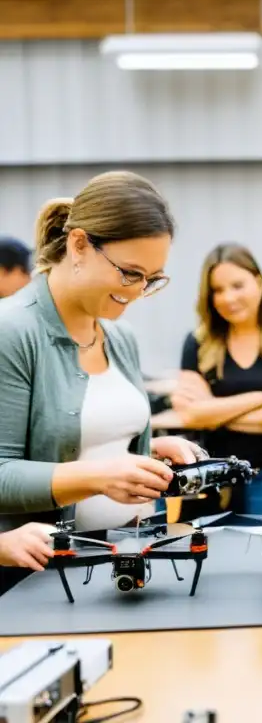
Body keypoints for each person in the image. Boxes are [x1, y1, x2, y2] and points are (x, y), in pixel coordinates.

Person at [0, 171, 200, 590]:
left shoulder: (118, 336)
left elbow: (86, 437)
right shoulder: (12, 332)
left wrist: (151, 451)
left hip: (128, 557)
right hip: (44, 579)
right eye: (130, 272)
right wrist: (101, 475)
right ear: (78, 245)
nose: (138, 290)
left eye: (152, 278)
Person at [171, 244, 262, 517]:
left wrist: (216, 412)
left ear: (259, 283)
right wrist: (257, 399)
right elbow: (191, 416)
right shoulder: (198, 344)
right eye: (217, 290)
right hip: (214, 475)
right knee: (217, 555)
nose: (228, 297)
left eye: (238, 285)